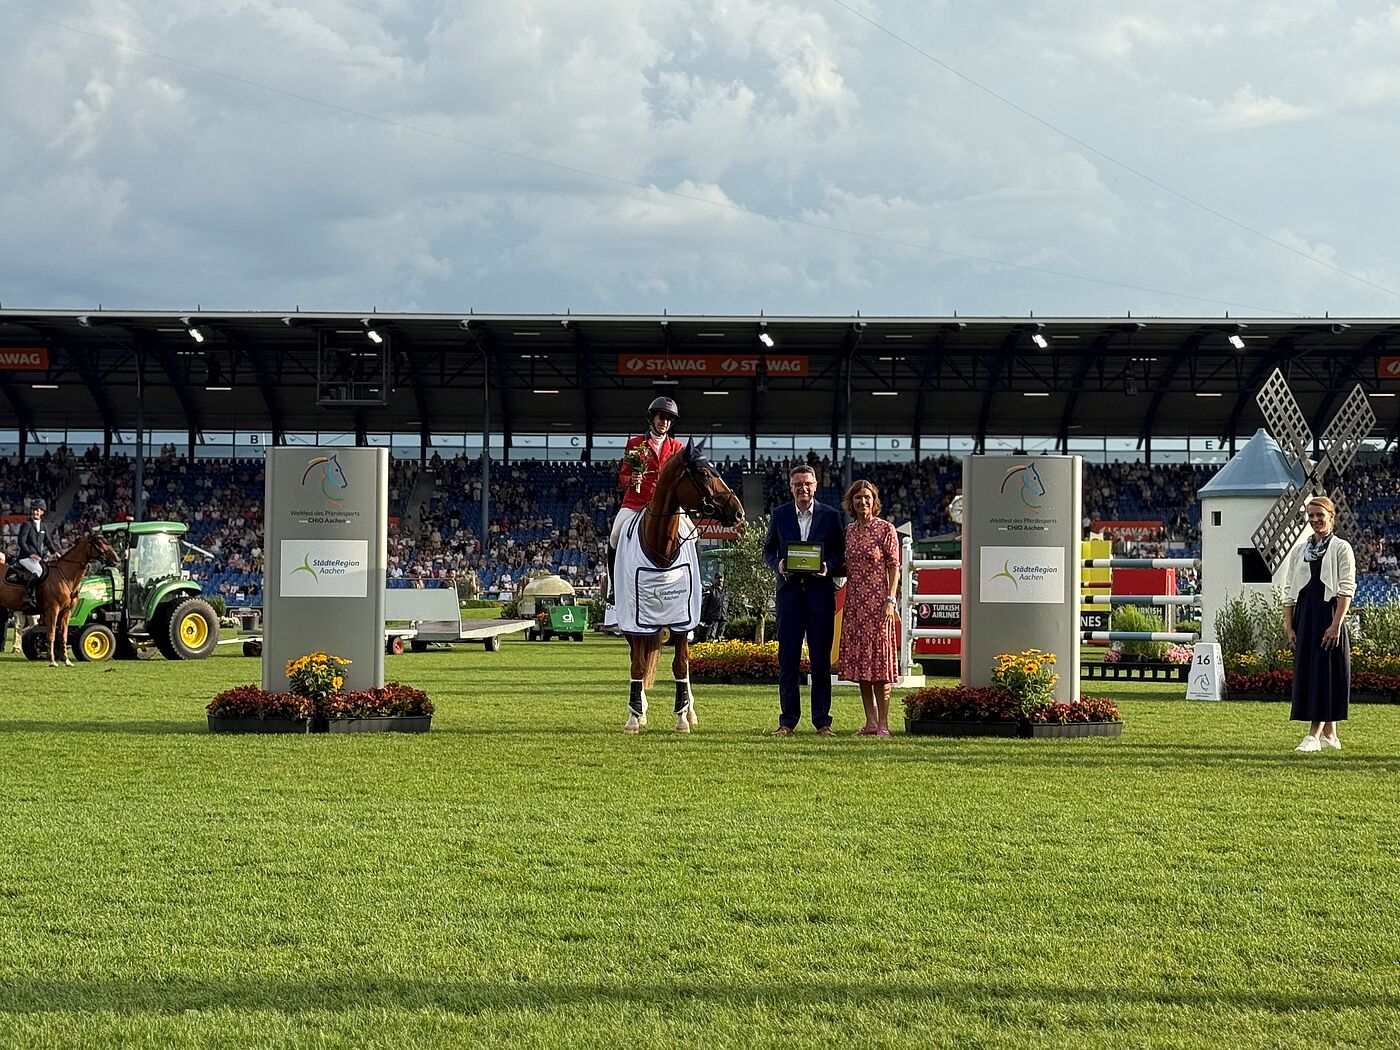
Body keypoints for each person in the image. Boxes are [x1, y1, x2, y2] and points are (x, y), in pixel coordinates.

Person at [763, 465, 845, 736]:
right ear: (791, 487)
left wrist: (828, 566)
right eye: (798, 484)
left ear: (815, 486)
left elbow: (840, 553)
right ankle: (787, 721)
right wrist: (779, 564)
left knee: (821, 661)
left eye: (807, 483)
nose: (803, 488)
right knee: (788, 661)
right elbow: (768, 551)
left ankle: (822, 722)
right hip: (789, 598)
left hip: (820, 596)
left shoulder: (831, 517)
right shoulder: (779, 514)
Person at [1285, 496, 1356, 752]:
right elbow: (1289, 589)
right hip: (1306, 616)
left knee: (1324, 673)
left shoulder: (1341, 548)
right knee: (1312, 670)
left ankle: (1313, 734)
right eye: (1311, 515)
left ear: (1331, 517)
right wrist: (1289, 624)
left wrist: (1336, 623)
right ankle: (1330, 735)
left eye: (1320, 515)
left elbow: (1346, 588)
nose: (1315, 519)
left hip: (1328, 614)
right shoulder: (1299, 551)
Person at [839, 480, 901, 737]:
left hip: (879, 605)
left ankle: (884, 723)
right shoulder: (850, 531)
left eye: (866, 497)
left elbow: (894, 566)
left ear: (874, 501)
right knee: (863, 666)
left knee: (880, 666)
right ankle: (870, 722)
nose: (862, 502)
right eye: (857, 498)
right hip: (855, 606)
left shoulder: (886, 529)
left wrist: (890, 599)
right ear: (851, 503)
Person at [607, 397, 683, 605]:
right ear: (652, 418)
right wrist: (631, 479)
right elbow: (623, 476)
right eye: (661, 417)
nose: (664, 422)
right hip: (636, 502)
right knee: (614, 536)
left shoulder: (677, 447)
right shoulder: (635, 443)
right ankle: (614, 586)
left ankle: (695, 583)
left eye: (668, 419)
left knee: (693, 539)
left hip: (667, 506)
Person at [16, 499, 57, 609]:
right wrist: (30, 554)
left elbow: (48, 541)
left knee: (46, 571)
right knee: (38, 571)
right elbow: (21, 542)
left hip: (37, 558)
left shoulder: (43, 526)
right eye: (33, 510)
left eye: (37, 510)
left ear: (42, 512)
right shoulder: (27, 524)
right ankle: (29, 596)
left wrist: (55, 552)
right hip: (25, 557)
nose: (35, 512)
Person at [700, 573, 728, 642]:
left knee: (720, 637)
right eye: (718, 578)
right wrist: (704, 615)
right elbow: (705, 603)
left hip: (723, 616)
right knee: (711, 636)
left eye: (721, 578)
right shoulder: (711, 590)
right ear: (715, 579)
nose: (720, 580)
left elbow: (727, 603)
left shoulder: (725, 591)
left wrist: (728, 614)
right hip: (713, 616)